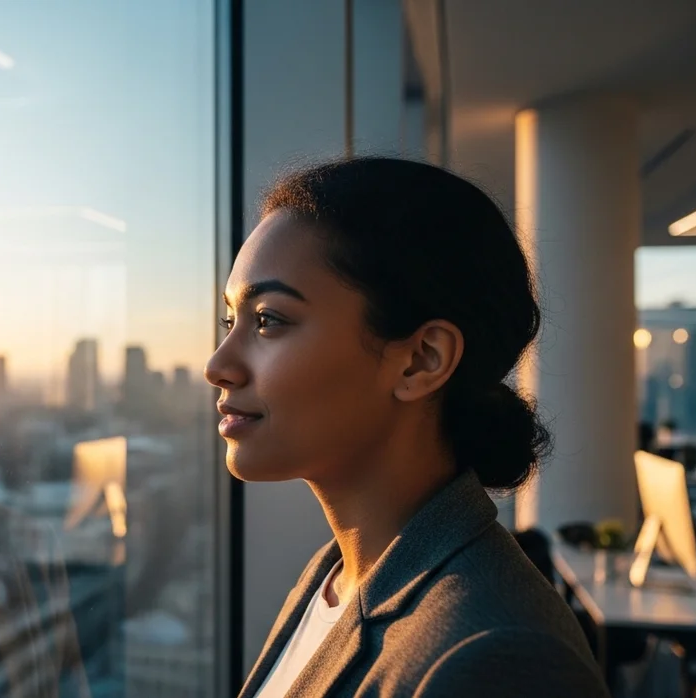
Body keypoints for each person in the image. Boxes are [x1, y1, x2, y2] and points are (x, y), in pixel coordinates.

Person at [205, 158, 607, 697]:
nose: (217, 365)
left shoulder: (497, 657)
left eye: (269, 320)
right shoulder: (337, 579)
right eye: (232, 320)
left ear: (421, 359)